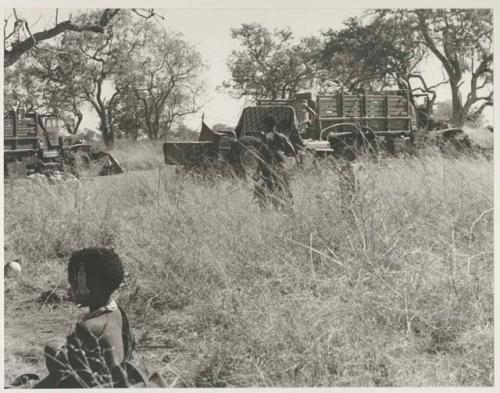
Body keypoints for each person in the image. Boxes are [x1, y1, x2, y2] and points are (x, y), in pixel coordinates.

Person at [29, 247, 164, 388]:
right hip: (120, 381)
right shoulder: (117, 312)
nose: (72, 288)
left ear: (93, 286)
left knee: (52, 350)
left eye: (77, 282)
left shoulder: (88, 327)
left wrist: (55, 354)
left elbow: (75, 375)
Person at [253, 115, 297, 208]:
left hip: (268, 168)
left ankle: (265, 209)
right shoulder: (282, 137)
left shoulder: (266, 137)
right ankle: (290, 207)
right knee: (284, 188)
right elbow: (292, 151)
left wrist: (257, 170)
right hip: (282, 166)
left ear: (265, 125)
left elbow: (262, 154)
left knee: (260, 188)